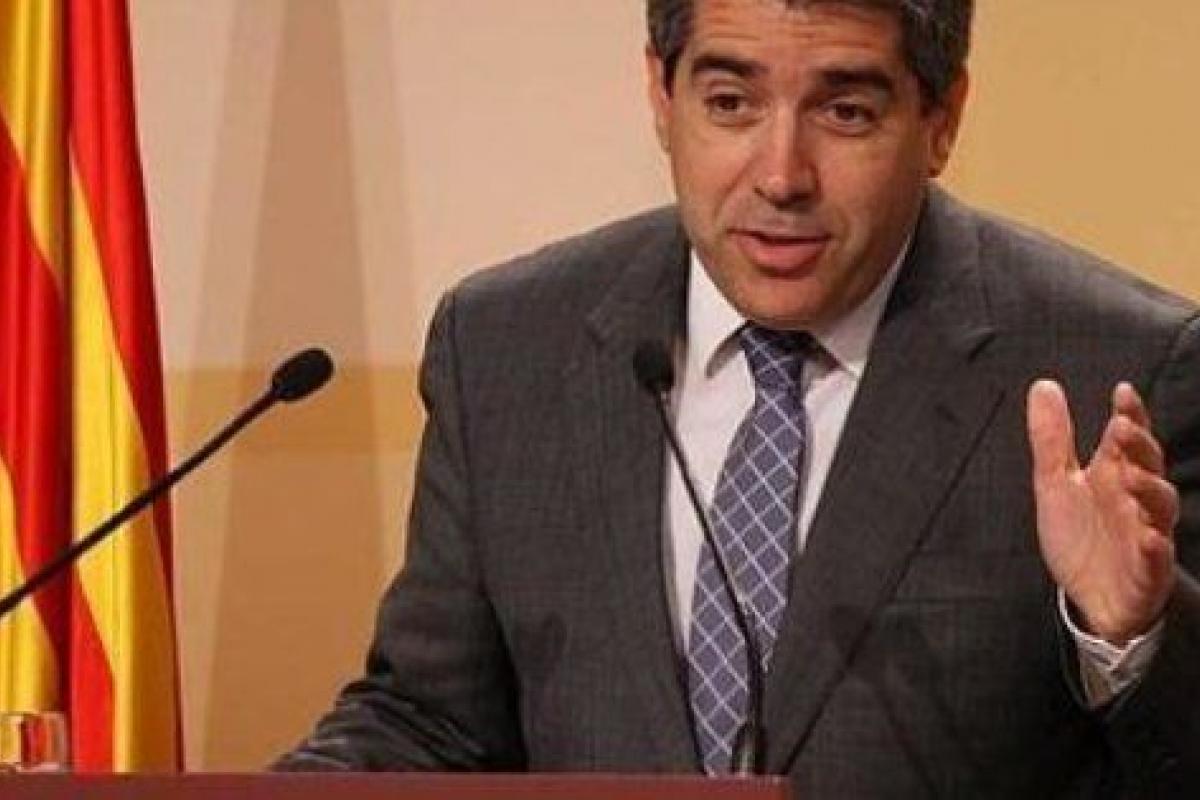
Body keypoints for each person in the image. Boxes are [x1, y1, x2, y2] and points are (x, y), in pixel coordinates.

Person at [278, 0, 1200, 795]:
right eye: (730, 103)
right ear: (660, 94)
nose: (781, 176)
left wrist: (1129, 639)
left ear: (941, 118)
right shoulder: (506, 348)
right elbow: (432, 722)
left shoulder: (1117, 372)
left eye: (845, 111)